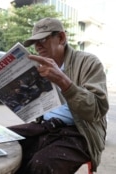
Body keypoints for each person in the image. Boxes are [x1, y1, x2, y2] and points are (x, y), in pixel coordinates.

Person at [8, 17, 109, 174]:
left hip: (79, 131)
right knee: (3, 139)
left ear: (61, 38)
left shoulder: (88, 62)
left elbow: (96, 110)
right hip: (46, 126)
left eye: (43, 39)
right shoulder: (38, 67)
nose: (38, 46)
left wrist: (64, 82)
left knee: (42, 164)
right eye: (34, 42)